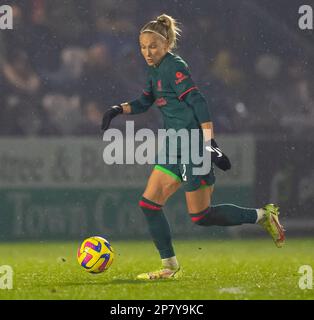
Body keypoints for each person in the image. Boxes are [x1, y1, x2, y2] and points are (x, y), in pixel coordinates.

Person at [101, 14, 285, 280]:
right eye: (143, 46)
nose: (147, 52)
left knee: (201, 216)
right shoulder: (154, 70)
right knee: (149, 204)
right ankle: (169, 267)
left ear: (165, 45)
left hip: (193, 144)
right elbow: (145, 101)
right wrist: (118, 109)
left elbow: (198, 102)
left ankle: (262, 215)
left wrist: (210, 142)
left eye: (153, 46)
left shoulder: (174, 66)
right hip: (174, 145)